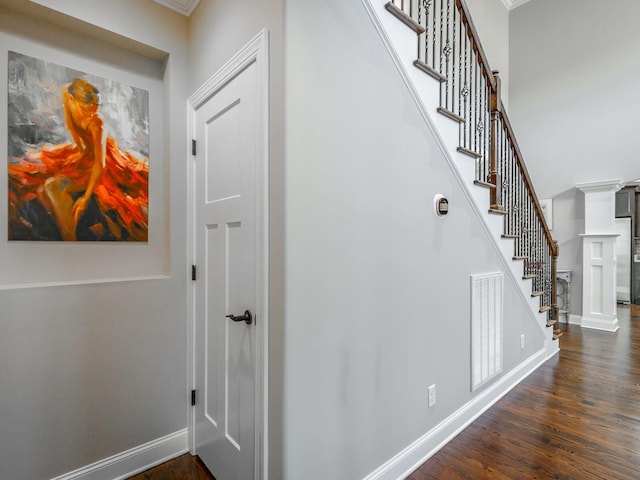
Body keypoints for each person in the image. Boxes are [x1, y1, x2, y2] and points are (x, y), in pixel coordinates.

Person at [8, 78, 148, 241]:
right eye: (86, 108)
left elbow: (100, 164)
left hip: (103, 160)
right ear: (73, 101)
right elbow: (81, 147)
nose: (92, 113)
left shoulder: (97, 124)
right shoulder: (71, 113)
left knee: (52, 186)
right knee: (42, 187)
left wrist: (85, 198)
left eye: (95, 109)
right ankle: (68, 236)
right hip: (86, 157)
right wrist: (73, 158)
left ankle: (70, 237)